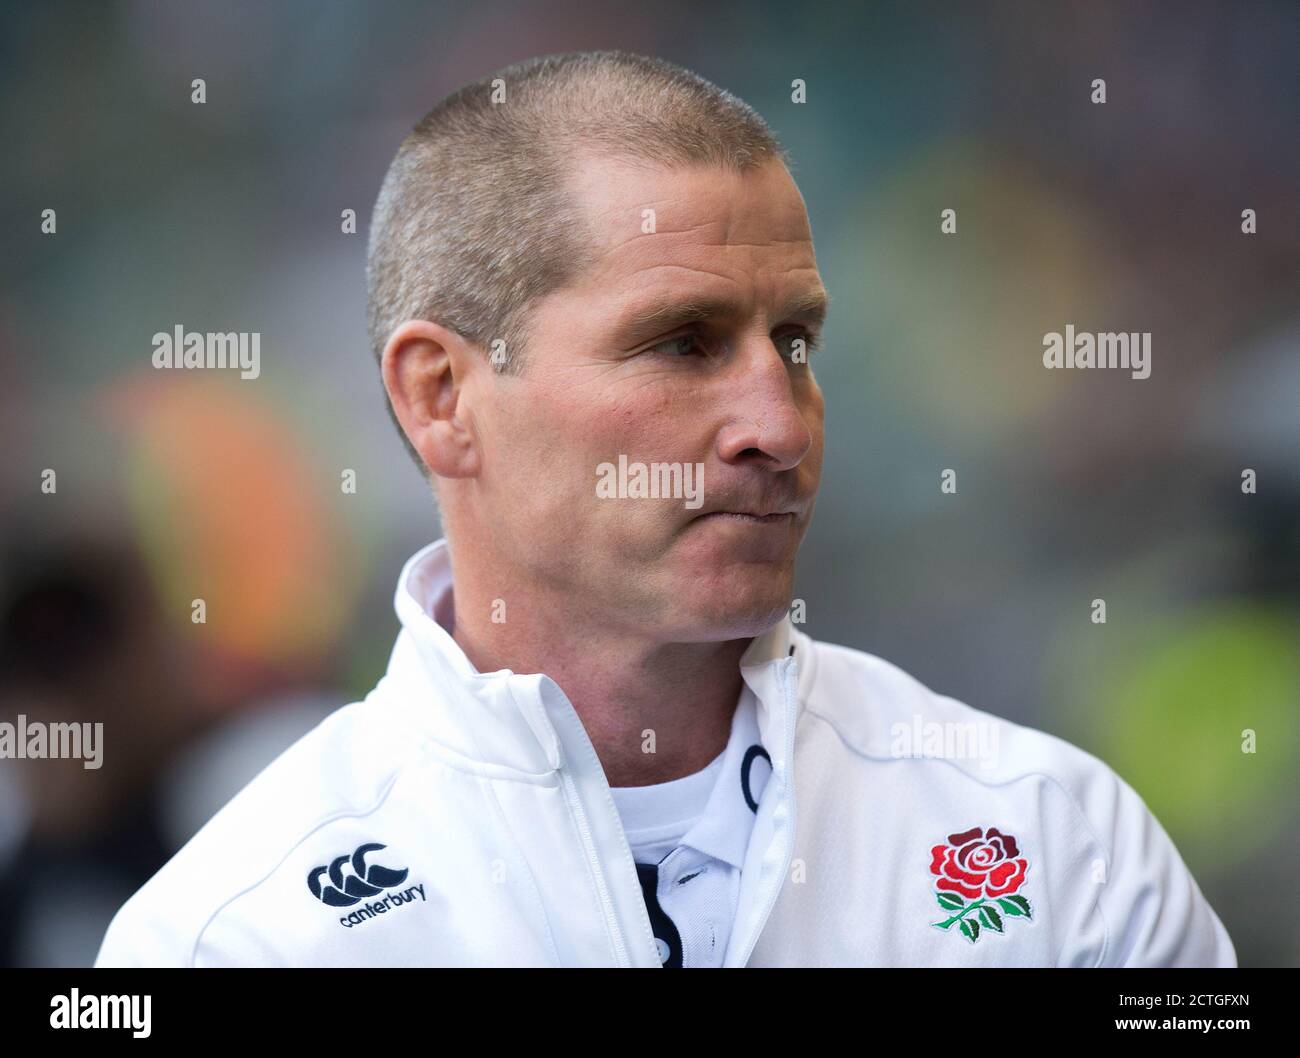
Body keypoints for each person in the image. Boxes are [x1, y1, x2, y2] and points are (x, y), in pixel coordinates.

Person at [94, 50, 1235, 968]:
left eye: (794, 343)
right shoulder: (230, 935)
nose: (778, 425)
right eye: (681, 343)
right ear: (441, 398)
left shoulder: (1057, 847)